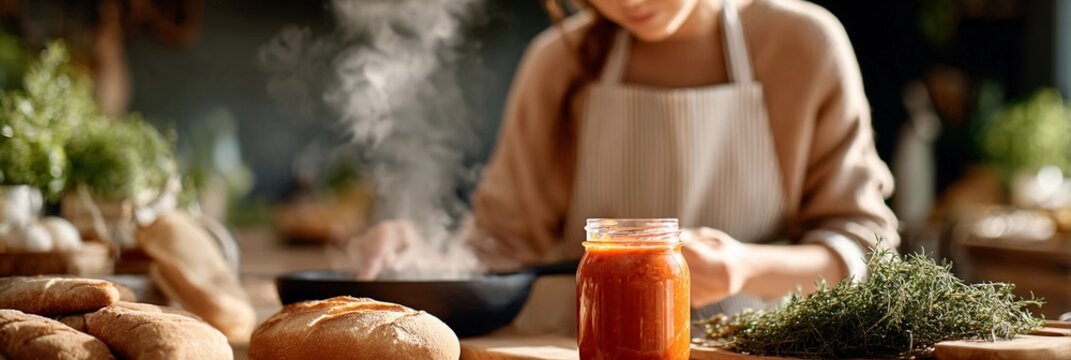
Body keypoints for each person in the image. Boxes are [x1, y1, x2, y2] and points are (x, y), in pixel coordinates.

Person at [355, 0, 899, 308]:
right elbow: (500, 249)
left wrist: (743, 267)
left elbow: (865, 251)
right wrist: (419, 253)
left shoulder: (802, 44)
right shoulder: (558, 62)